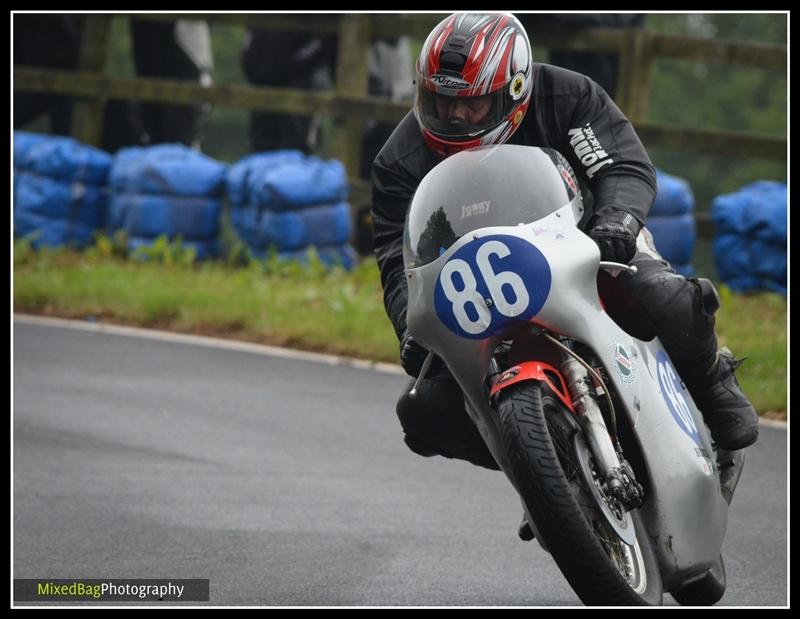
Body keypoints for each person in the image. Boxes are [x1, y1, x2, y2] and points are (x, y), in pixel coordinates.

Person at [370, 13, 758, 489]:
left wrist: (616, 219)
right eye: (439, 100)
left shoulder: (567, 96)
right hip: (483, 288)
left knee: (664, 296)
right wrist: (410, 320)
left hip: (585, 242)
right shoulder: (398, 161)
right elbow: (397, 258)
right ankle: (545, 468)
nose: (452, 117)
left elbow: (623, 163)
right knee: (425, 413)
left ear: (512, 91)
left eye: (469, 106)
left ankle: (713, 382)